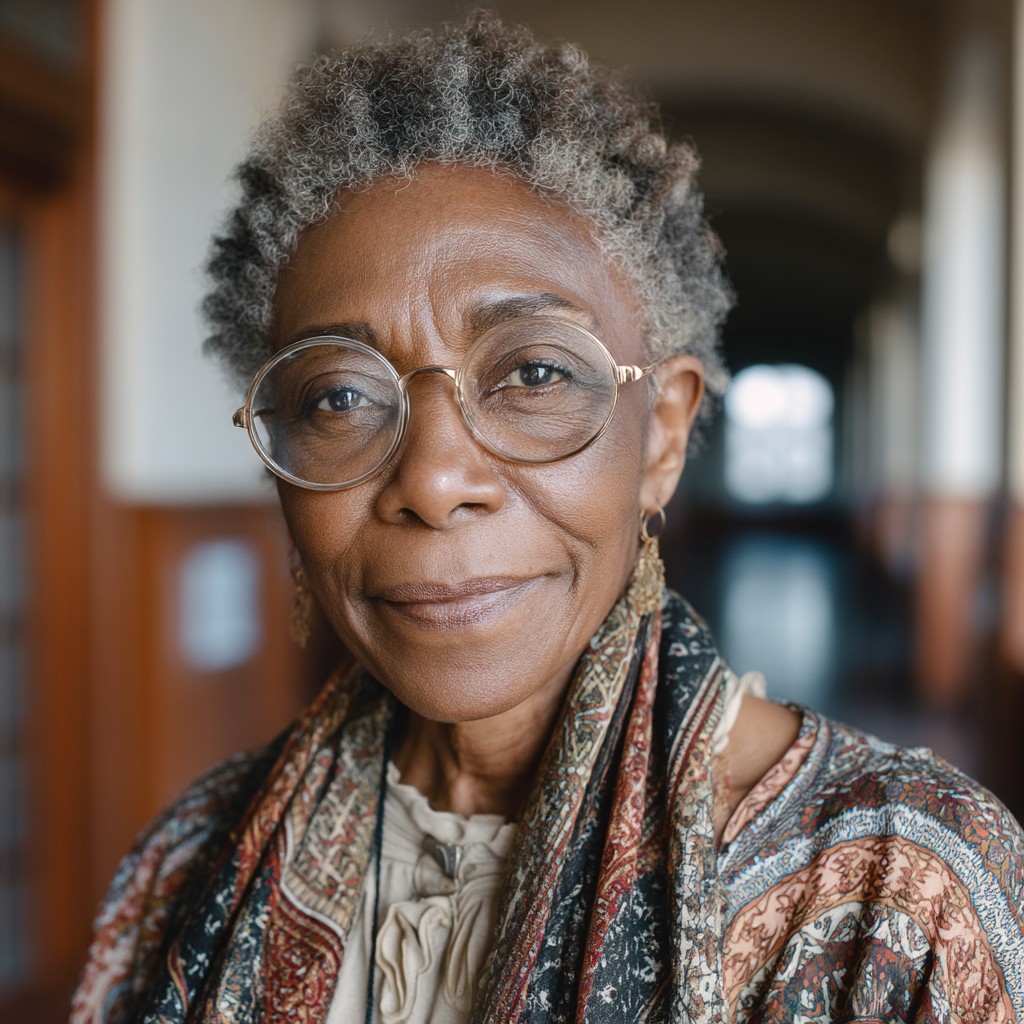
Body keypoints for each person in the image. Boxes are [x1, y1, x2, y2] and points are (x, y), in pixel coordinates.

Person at [71, 12, 1024, 1024]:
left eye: (533, 372)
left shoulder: (901, 896)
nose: (434, 480)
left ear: (660, 434)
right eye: (339, 396)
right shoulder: (189, 857)